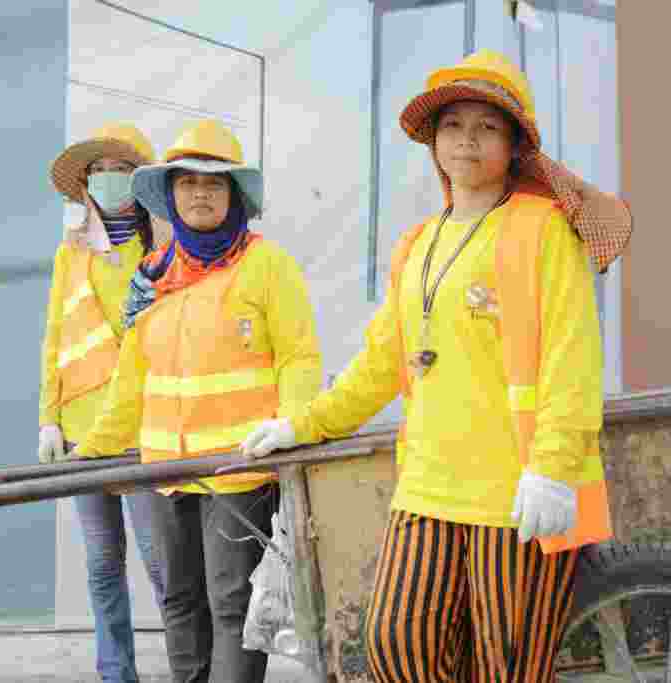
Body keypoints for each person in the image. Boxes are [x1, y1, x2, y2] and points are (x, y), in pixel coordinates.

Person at [241, 50, 631, 682]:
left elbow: (571, 355)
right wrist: (304, 424)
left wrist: (553, 470)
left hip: (519, 492)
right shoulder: (418, 241)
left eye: (487, 127)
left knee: (507, 665)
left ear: (513, 145)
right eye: (453, 125)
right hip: (427, 486)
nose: (467, 141)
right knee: (395, 642)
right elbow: (383, 361)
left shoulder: (543, 229)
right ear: (434, 141)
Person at [71, 119, 322, 683]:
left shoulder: (267, 266)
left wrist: (294, 429)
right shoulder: (154, 274)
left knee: (232, 604)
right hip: (163, 471)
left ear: (235, 196)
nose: (200, 194)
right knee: (180, 601)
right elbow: (132, 380)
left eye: (214, 184)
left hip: (237, 471)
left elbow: (299, 358)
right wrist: (94, 451)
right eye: (187, 184)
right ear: (170, 196)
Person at [40, 122, 165, 683]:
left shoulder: (162, 249)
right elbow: (54, 339)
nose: (109, 180)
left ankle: (191, 667)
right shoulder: (70, 254)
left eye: (121, 170)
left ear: (140, 182)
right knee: (101, 561)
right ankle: (116, 673)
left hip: (142, 427)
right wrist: (48, 419)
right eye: (99, 171)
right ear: (85, 184)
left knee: (164, 563)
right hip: (80, 429)